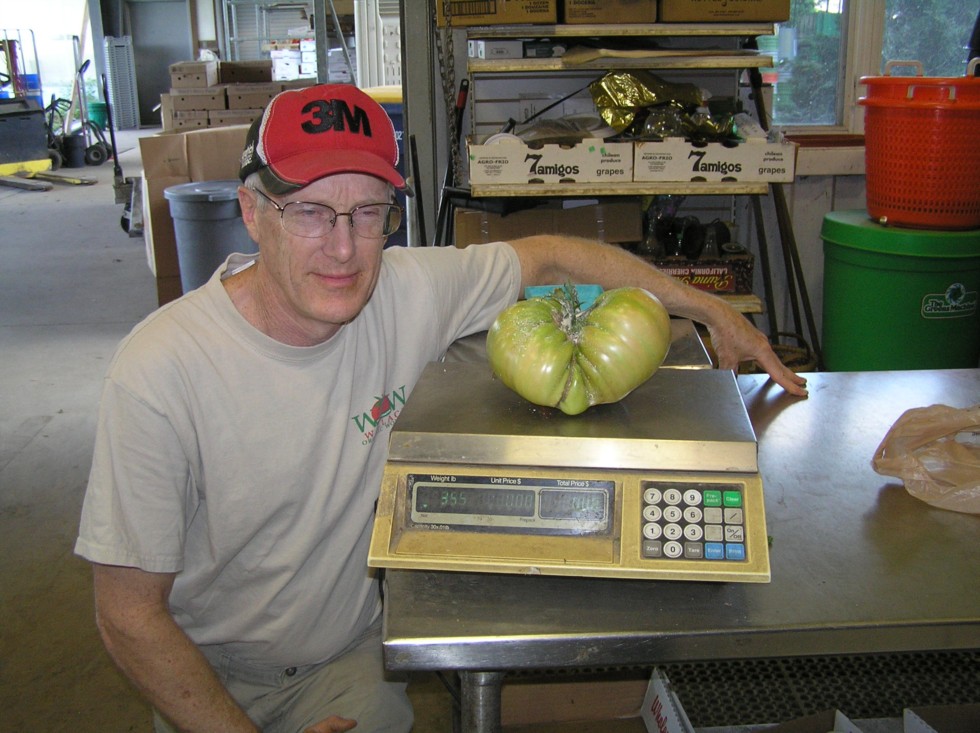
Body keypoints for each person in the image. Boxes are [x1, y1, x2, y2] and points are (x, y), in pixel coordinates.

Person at [75, 84, 807, 733]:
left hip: (347, 658)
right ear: (251, 213)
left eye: (368, 212)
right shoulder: (161, 371)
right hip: (207, 672)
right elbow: (129, 616)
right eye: (310, 213)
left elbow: (552, 254)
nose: (343, 249)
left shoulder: (403, 290)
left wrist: (712, 311)